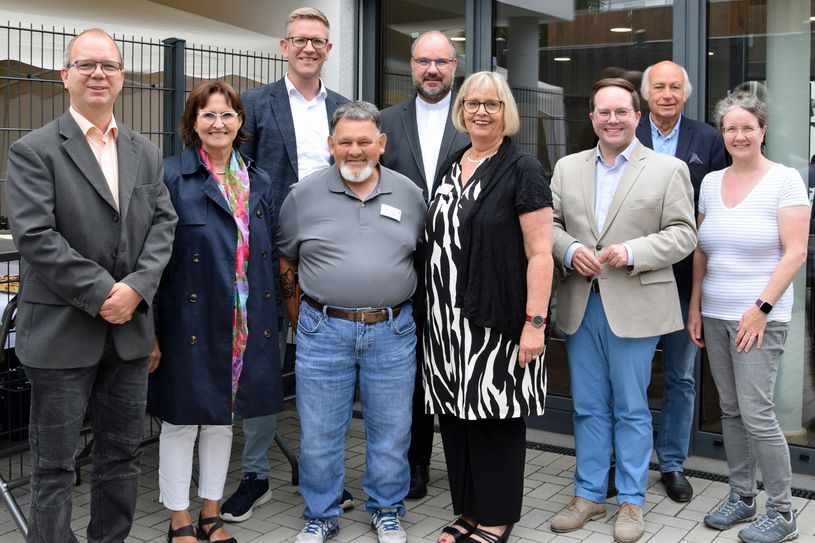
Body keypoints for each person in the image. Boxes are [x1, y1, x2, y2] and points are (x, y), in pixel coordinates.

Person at [4, 28, 177, 542]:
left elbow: (163, 225)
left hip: (128, 336)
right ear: (66, 75)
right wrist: (105, 293)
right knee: (53, 468)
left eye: (109, 66)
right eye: (86, 65)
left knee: (121, 458)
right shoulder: (33, 151)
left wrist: (138, 288)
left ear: (122, 77)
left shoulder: (146, 152)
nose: (98, 74)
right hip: (62, 335)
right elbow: (35, 237)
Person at [548, 78, 696, 543]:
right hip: (581, 302)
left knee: (631, 407)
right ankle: (588, 494)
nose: (612, 120)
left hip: (636, 303)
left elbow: (684, 234)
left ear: (638, 116)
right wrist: (569, 249)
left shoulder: (668, 169)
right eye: (603, 112)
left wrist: (632, 251)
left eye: (621, 112)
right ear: (592, 117)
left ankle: (631, 500)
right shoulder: (567, 168)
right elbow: (548, 224)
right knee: (588, 407)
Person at [222, 6, 351, 523]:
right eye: (300, 39)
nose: (309, 48)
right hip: (266, 253)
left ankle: (325, 475)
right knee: (262, 363)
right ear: (284, 46)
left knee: (328, 368)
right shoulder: (254, 104)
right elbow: (237, 176)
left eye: (318, 40)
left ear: (329, 49)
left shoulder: (343, 109)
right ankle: (256, 475)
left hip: (333, 254)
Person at [278, 101, 425, 543]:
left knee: (392, 431)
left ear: (382, 144)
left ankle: (387, 510)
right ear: (331, 144)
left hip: (392, 330)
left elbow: (421, 257)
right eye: (345, 142)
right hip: (323, 329)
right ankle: (321, 515)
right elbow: (286, 261)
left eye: (364, 142)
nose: (355, 151)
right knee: (319, 433)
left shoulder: (410, 194)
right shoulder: (302, 196)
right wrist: (301, 319)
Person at [147, 81, 283, 543]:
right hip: (188, 323)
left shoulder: (259, 180)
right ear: (193, 123)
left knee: (223, 421)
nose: (218, 123)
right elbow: (151, 258)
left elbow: (267, 256)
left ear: (240, 122)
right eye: (208, 114)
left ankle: (211, 514)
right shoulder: (170, 176)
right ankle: (178, 519)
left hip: (243, 323)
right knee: (181, 422)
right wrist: (150, 331)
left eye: (227, 114)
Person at [424, 71, 553, 543]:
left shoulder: (523, 168)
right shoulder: (452, 163)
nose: (481, 112)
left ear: (506, 112)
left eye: (492, 104)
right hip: (445, 323)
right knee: (456, 418)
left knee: (494, 418)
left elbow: (541, 253)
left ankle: (496, 517)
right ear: (461, 110)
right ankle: (469, 511)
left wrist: (534, 323)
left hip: (496, 321)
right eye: (472, 103)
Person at [689, 91, 810, 543]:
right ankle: (742, 496)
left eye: (747, 127)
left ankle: (782, 511)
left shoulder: (785, 180)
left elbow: (796, 252)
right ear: (722, 134)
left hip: (760, 317)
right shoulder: (710, 182)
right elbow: (702, 250)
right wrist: (695, 306)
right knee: (731, 410)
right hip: (715, 312)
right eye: (730, 128)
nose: (738, 136)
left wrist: (761, 310)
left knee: (757, 413)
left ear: (763, 130)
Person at [379, 29, 470, 500]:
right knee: (410, 374)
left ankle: (463, 468)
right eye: (423, 61)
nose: (432, 70)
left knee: (456, 365)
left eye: (441, 61)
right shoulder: (384, 121)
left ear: (454, 66)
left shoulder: (475, 116)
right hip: (405, 267)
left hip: (463, 268)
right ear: (411, 66)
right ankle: (415, 465)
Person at [635, 60, 727, 502]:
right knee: (630, 378)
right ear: (646, 94)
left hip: (686, 279)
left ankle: (672, 463)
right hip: (634, 275)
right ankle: (628, 461)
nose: (667, 94)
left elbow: (718, 207)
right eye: (659, 87)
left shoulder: (707, 139)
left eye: (675, 87)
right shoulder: (627, 131)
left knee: (681, 376)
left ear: (685, 94)